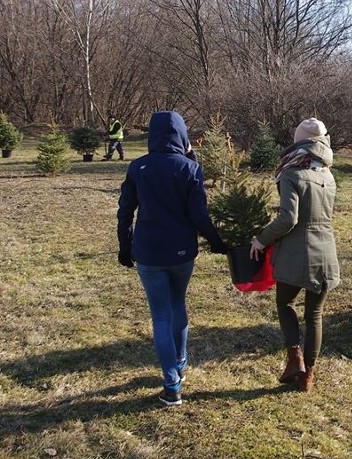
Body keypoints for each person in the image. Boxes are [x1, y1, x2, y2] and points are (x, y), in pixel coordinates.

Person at [117, 111, 228, 406]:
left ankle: (172, 383)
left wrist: (124, 246)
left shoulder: (138, 167)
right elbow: (199, 216)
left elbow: (125, 211)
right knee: (177, 305)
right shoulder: (190, 168)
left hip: (149, 253)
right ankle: (179, 364)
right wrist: (218, 243)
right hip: (182, 253)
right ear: (182, 135)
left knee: (161, 315)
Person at [249, 117, 339, 393]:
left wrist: (260, 240)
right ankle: (308, 376)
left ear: (299, 142)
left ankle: (294, 358)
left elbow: (288, 218)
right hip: (326, 251)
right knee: (315, 314)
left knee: (285, 303)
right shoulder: (328, 174)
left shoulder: (291, 173)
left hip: (296, 252)